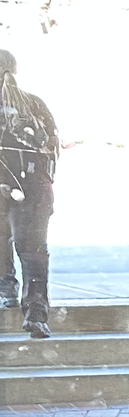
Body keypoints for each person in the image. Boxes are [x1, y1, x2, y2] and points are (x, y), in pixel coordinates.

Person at [0, 53, 59, 338]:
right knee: (34, 249)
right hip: (36, 186)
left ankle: (6, 290)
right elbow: (53, 146)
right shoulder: (35, 104)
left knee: (1, 238)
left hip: (5, 184)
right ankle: (36, 312)